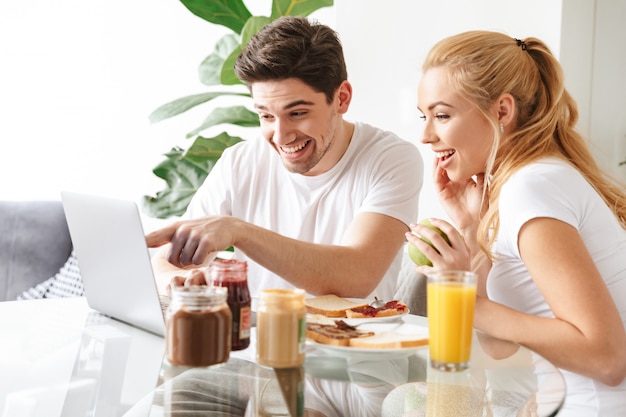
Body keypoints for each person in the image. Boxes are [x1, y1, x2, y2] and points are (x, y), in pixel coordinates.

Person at [406, 30, 626, 415]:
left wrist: (467, 302)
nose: (426, 135)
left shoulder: (532, 187)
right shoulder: (521, 186)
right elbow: (501, 348)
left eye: (441, 115)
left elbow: (607, 359)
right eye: (424, 117)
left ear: (502, 111)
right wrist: (473, 228)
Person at [145, 16, 423, 301]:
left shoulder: (391, 159)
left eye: (297, 113)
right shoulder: (239, 162)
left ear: (341, 99)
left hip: (351, 341)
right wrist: (179, 282)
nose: (280, 136)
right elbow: (165, 263)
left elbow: (356, 276)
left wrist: (239, 231)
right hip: (256, 339)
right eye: (266, 115)